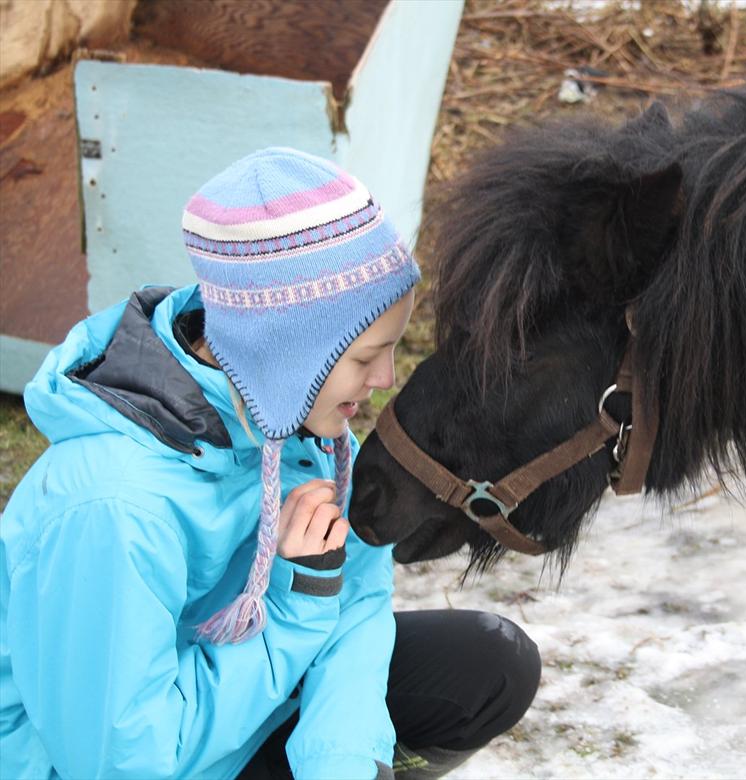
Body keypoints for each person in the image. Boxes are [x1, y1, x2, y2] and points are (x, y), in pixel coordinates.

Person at [0, 148, 541, 779]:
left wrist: (341, 764)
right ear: (283, 352)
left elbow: (357, 605)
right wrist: (294, 611)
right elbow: (122, 763)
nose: (386, 379)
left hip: (238, 707)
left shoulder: (301, 427)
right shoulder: (114, 508)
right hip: (111, 766)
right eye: (368, 356)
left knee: (491, 665)